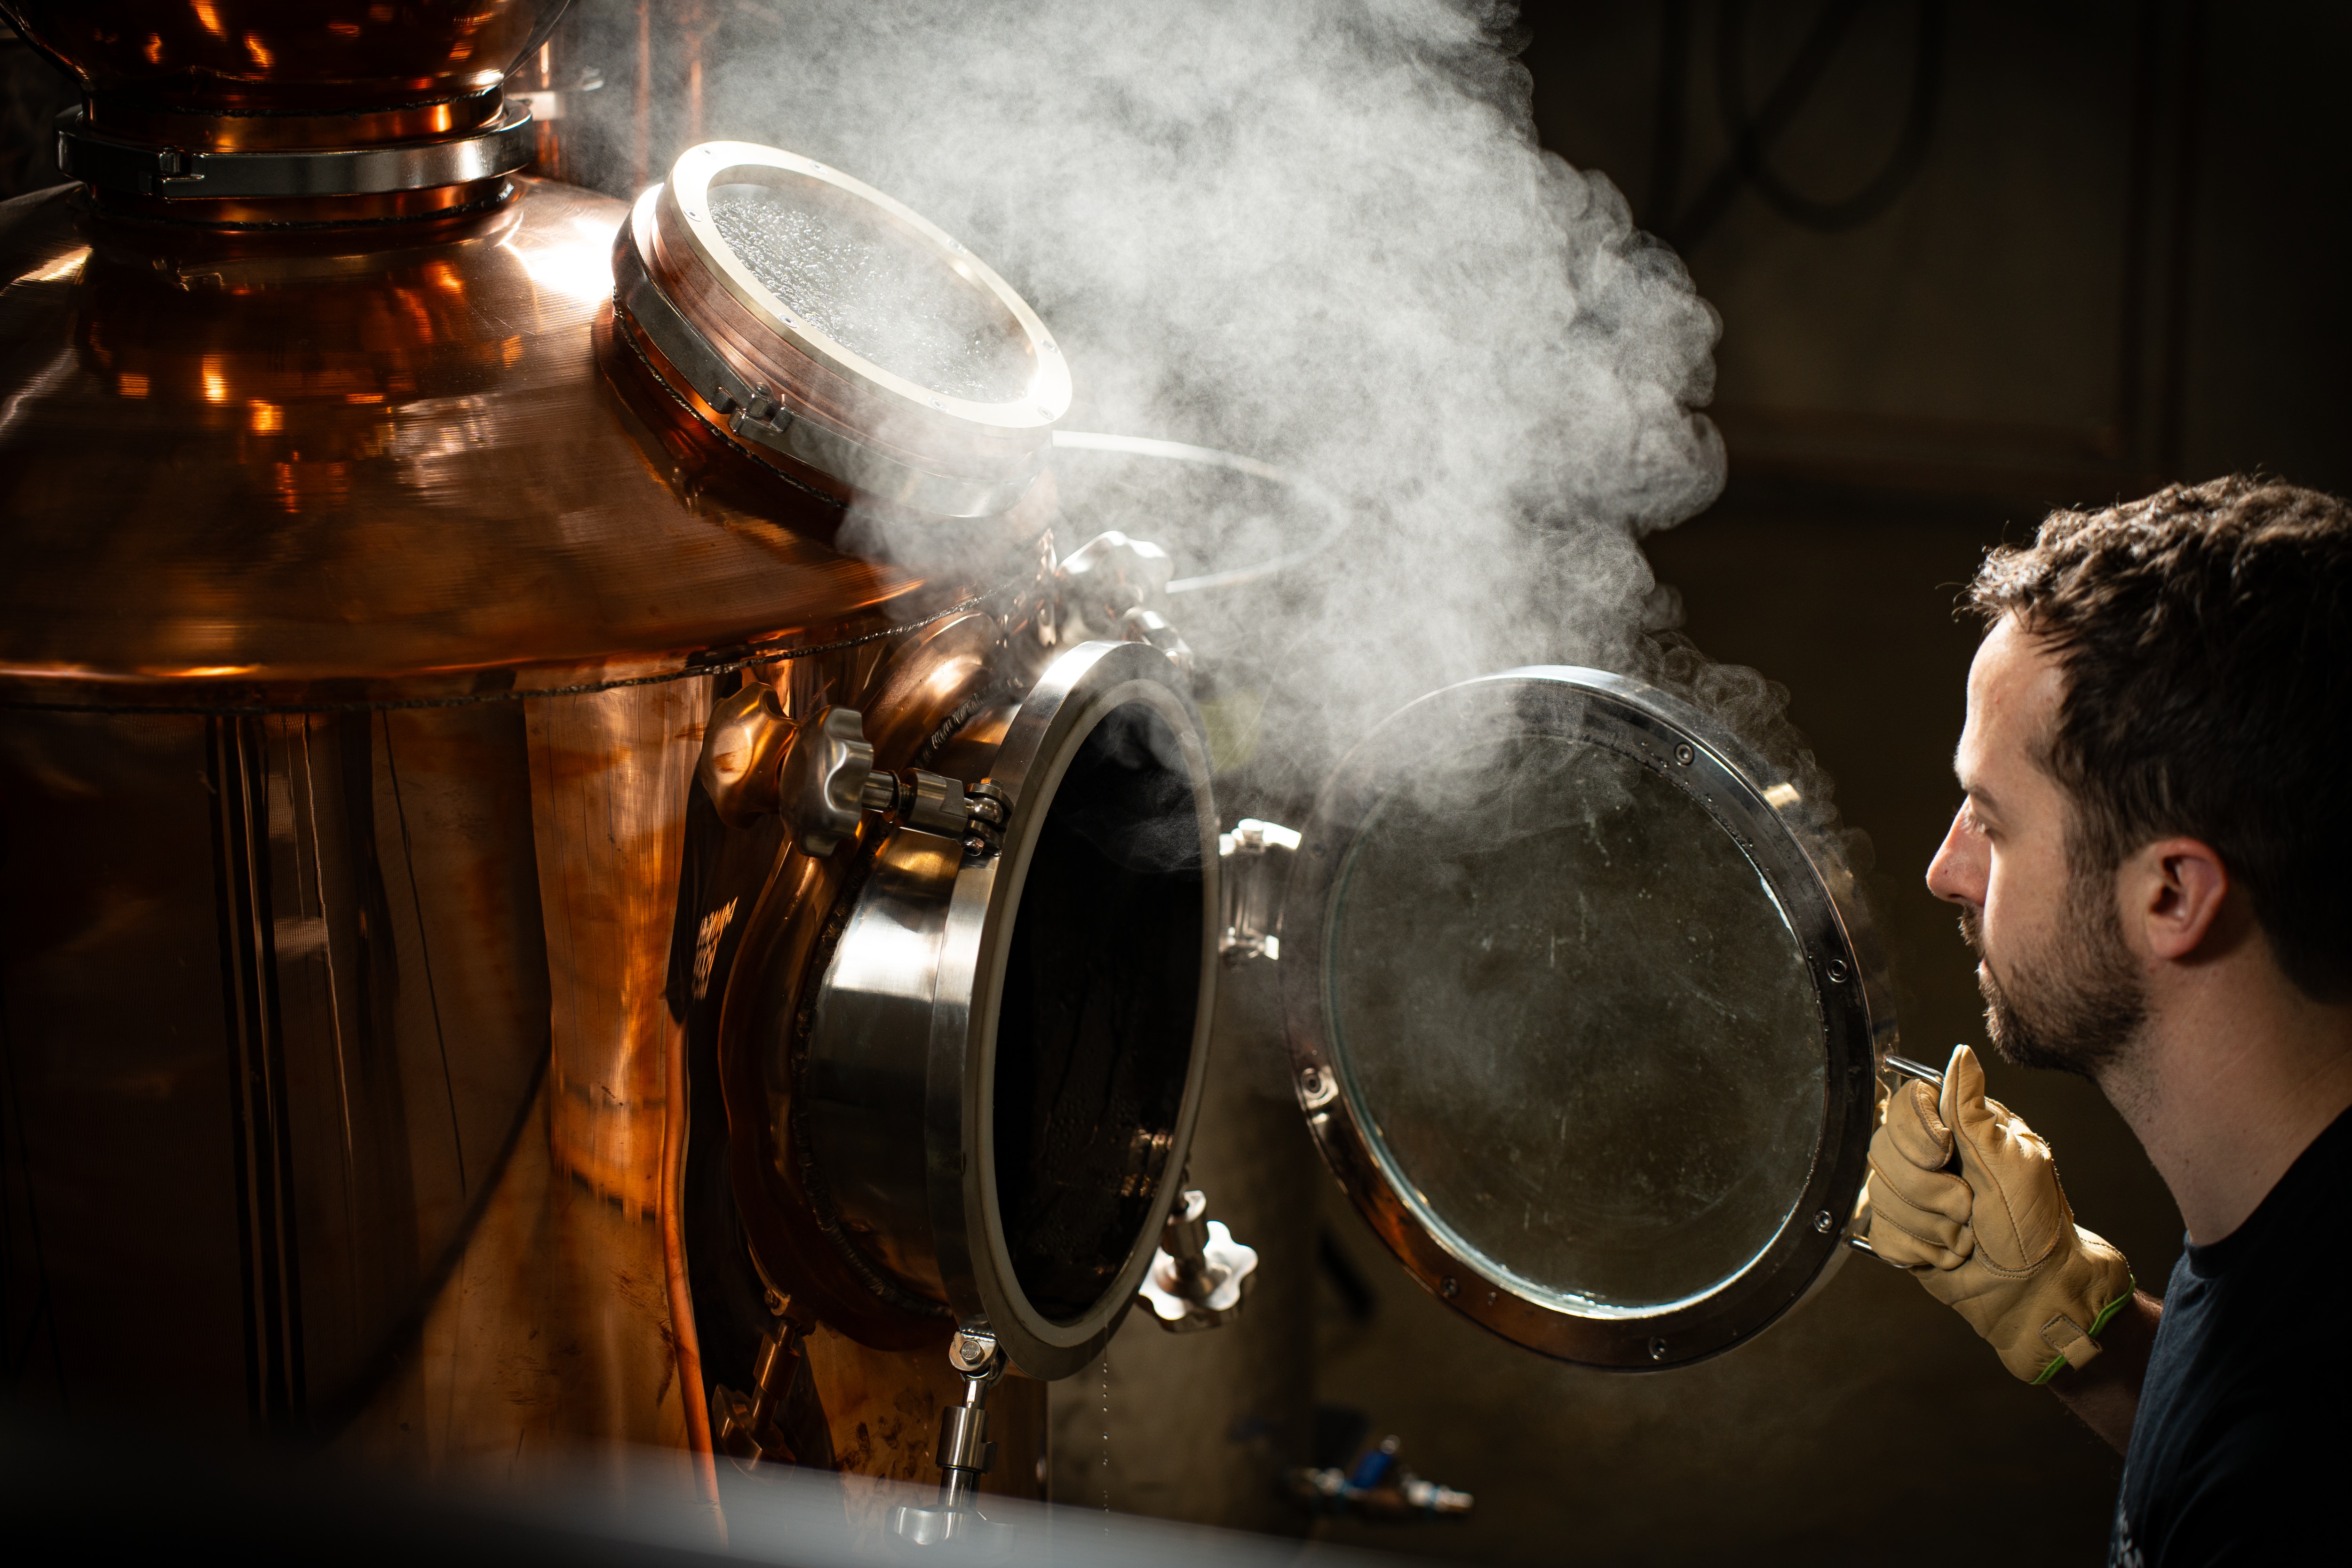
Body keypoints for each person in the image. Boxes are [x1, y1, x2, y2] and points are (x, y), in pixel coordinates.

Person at [1863, 476, 2351, 1564]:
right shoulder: (2280, 1211)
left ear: (2173, 894)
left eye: (1990, 819)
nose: (1947, 869)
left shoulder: (2292, 1478)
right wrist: (2070, 1323)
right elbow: (2224, 1403)